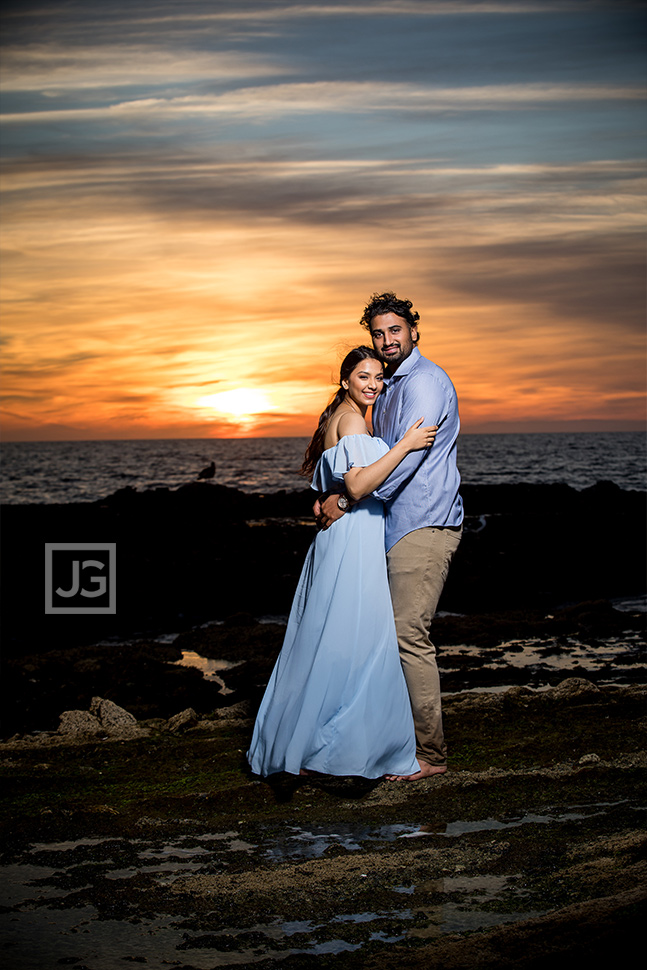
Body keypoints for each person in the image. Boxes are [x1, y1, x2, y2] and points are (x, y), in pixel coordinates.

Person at [247, 346, 438, 779]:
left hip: (348, 536)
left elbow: (336, 486)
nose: (372, 384)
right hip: (352, 539)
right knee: (355, 639)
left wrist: (333, 499)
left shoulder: (343, 416)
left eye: (378, 377)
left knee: (331, 638)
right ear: (345, 380)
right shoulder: (351, 419)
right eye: (363, 376)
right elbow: (357, 482)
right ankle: (338, 751)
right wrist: (406, 444)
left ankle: (314, 746)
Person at [316, 293, 463, 781]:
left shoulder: (424, 384)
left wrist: (348, 498)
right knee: (389, 636)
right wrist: (337, 490)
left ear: (413, 331)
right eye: (378, 333)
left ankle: (431, 756)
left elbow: (405, 465)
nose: (387, 341)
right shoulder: (390, 386)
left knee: (407, 636)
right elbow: (369, 457)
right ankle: (394, 742)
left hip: (424, 521)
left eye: (394, 330)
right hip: (392, 524)